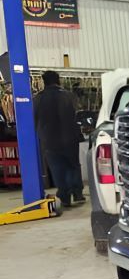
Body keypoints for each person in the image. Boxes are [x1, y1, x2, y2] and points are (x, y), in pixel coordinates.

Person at [33, 70, 85, 206]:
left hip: (49, 140)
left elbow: (34, 120)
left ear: (44, 82)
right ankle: (77, 193)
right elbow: (76, 116)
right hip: (70, 138)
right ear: (58, 80)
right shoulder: (68, 96)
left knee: (57, 168)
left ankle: (64, 196)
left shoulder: (37, 99)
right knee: (73, 165)